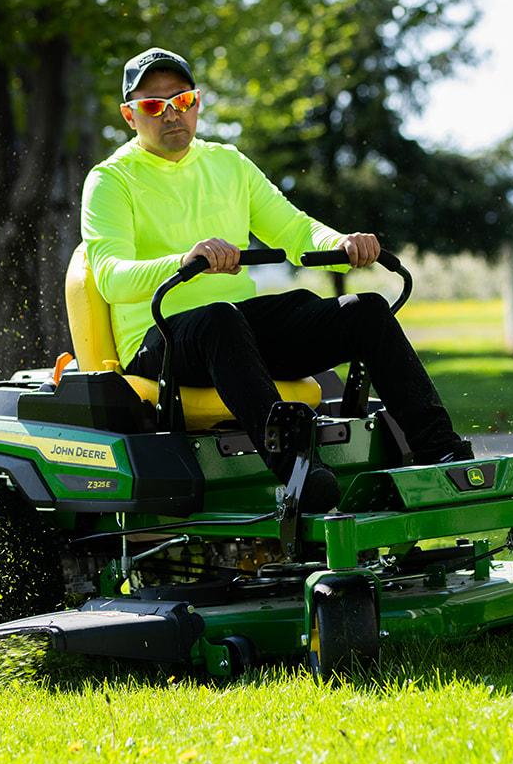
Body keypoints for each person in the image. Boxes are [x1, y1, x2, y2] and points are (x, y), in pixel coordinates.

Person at [80, 46, 471, 510]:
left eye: (181, 101)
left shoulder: (228, 164)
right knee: (218, 319)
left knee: (362, 311)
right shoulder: (110, 180)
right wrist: (185, 261)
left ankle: (442, 452)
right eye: (152, 106)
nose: (170, 115)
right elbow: (111, 278)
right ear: (130, 116)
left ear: (197, 102)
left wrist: (341, 244)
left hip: (236, 335)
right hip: (162, 338)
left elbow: (293, 229)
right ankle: (299, 474)